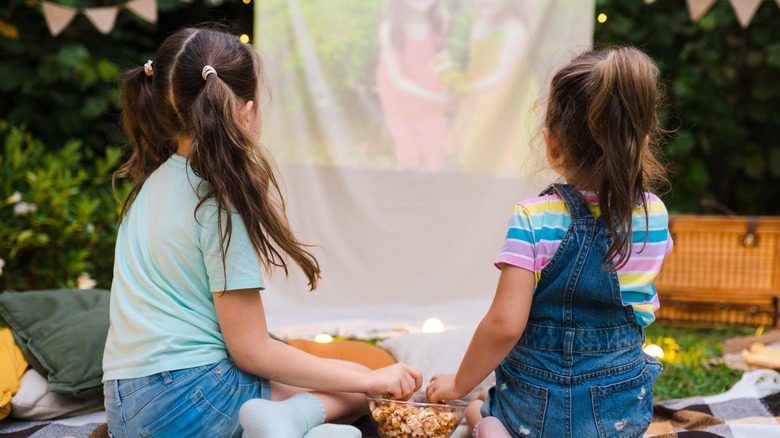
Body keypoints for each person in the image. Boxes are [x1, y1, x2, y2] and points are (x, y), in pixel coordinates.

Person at [102, 27, 422, 438]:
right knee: (364, 385)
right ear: (246, 112)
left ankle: (299, 426)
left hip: (126, 409)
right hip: (191, 401)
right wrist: (366, 380)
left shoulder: (149, 190)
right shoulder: (217, 202)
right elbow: (250, 350)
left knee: (341, 382)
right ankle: (293, 423)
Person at [426, 47, 673, 437]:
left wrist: (458, 383)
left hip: (532, 412)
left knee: (482, 412)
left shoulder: (534, 217)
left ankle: (485, 423)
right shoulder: (653, 214)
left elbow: (504, 325)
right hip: (616, 412)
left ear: (552, 143)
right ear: (641, 141)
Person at [450, 0, 537, 176]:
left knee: (506, 146)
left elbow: (503, 74)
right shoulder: (479, 24)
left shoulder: (515, 30)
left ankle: (504, 184)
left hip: (508, 94)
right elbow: (475, 62)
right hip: (481, 89)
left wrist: (471, 88)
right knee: (474, 144)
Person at [376, 0, 450, 171]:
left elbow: (442, 55)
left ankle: (432, 186)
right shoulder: (390, 29)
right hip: (400, 96)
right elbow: (397, 80)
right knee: (409, 150)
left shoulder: (440, 19)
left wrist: (448, 84)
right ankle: (406, 184)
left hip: (431, 89)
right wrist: (435, 99)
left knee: (434, 147)